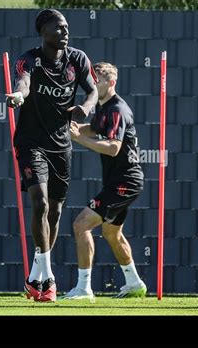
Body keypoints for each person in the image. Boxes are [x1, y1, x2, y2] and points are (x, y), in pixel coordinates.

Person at [5, 9, 98, 302]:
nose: (65, 32)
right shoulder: (29, 58)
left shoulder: (77, 59)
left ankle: (36, 278)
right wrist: (18, 96)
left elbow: (93, 91)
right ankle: (49, 279)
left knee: (55, 212)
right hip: (31, 142)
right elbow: (23, 83)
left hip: (61, 144)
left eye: (66, 27)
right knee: (41, 202)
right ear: (43, 32)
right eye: (58, 28)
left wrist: (87, 106)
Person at [64, 62, 146, 300]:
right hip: (119, 181)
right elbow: (95, 128)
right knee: (111, 233)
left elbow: (112, 148)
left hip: (125, 181)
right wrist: (74, 127)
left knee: (81, 225)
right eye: (91, 79)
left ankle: (83, 289)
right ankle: (135, 283)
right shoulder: (102, 107)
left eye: (97, 80)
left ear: (111, 83)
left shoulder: (116, 108)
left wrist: (78, 139)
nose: (92, 83)